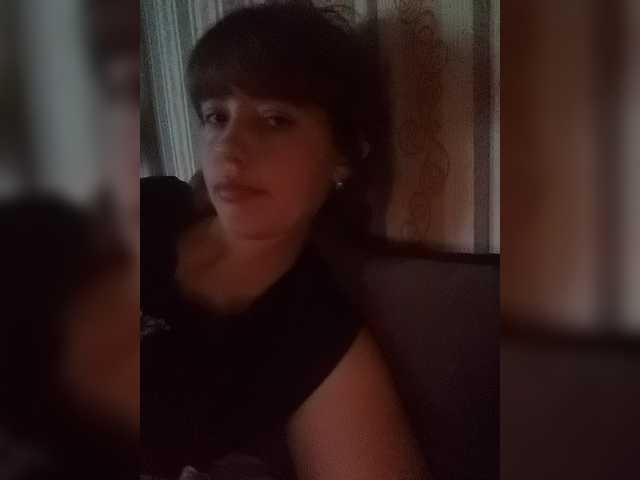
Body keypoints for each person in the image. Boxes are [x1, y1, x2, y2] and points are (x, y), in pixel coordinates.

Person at [141, 2, 428, 479]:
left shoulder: (312, 334)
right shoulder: (145, 209)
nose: (228, 147)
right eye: (216, 116)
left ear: (345, 155)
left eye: (275, 119)